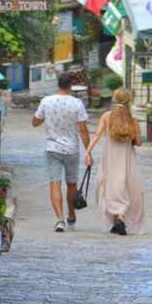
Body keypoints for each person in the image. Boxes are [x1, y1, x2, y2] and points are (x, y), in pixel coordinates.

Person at [33, 72, 90, 232]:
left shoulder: (46, 101)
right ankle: (71, 215)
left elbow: (35, 122)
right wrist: (88, 151)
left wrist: (45, 118)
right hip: (72, 149)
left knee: (55, 183)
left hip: (52, 148)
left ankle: (60, 220)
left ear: (58, 84)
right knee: (71, 183)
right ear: (71, 85)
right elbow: (83, 130)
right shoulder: (77, 103)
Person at [84, 88, 145, 236]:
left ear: (115, 98)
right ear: (129, 100)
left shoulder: (106, 116)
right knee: (126, 185)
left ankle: (117, 218)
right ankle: (121, 217)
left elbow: (97, 135)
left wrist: (87, 152)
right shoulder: (132, 119)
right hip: (127, 157)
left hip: (110, 157)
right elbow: (138, 142)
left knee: (110, 185)